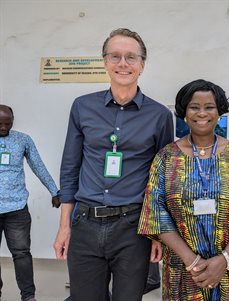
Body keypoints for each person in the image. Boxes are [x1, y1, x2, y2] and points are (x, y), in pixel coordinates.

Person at [53, 28, 173, 301]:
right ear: (105, 62)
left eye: (131, 57)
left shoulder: (159, 116)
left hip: (132, 228)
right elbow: (70, 169)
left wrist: (157, 234)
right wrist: (64, 226)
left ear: (142, 65)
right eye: (115, 56)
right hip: (85, 223)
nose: (123, 63)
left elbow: (162, 180)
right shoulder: (82, 107)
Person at [138, 79, 229, 301]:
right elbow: (155, 212)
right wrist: (192, 261)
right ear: (184, 111)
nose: (202, 113)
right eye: (194, 107)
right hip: (181, 270)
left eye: (209, 107)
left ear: (219, 111)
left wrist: (224, 259)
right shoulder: (166, 157)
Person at [0, 104, 60, 301]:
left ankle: (28, 296)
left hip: (16, 208)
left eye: (7, 124)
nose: (3, 128)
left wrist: (54, 190)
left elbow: (38, 166)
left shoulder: (22, 140)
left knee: (22, 253)